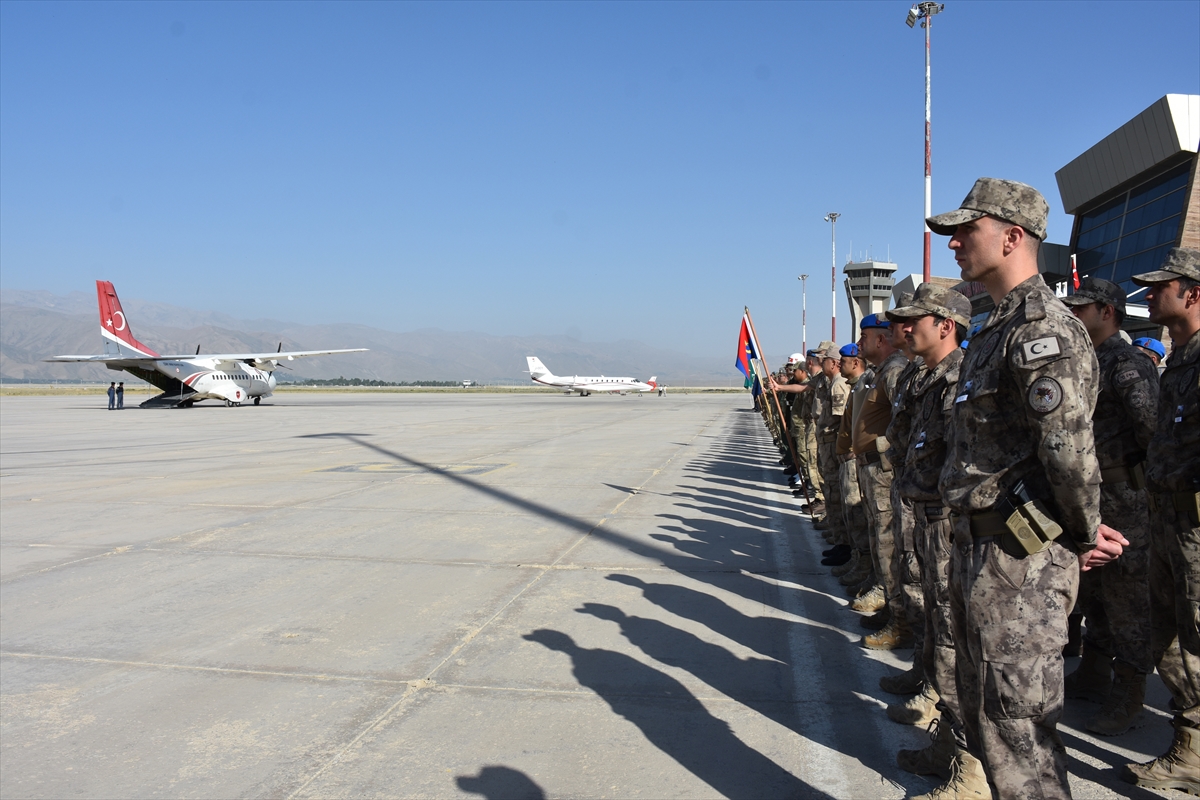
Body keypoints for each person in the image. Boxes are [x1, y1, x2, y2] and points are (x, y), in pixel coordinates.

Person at [927, 177, 1126, 800]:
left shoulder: (1042, 330)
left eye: (968, 230)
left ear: (1013, 237)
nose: (955, 242)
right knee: (990, 717)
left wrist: (1083, 532)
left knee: (1019, 732)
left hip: (1019, 562)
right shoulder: (995, 331)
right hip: (980, 551)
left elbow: (1067, 452)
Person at [1061, 277, 1158, 736]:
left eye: (1083, 308)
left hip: (1126, 500)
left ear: (1108, 312)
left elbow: (1152, 432)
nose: (1073, 315)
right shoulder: (1086, 361)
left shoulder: (1126, 363)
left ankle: (1128, 694)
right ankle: (1094, 673)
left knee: (1128, 602)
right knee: (1093, 594)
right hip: (1094, 496)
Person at [887, 282, 974, 779]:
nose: (905, 328)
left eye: (915, 319)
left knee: (952, 638)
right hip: (925, 516)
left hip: (948, 524)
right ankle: (946, 736)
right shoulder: (925, 378)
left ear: (945, 325)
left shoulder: (958, 377)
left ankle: (967, 762)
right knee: (938, 630)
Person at [1123, 247, 1200, 794]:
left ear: (1193, 292)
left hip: (1197, 525)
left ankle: (1193, 753)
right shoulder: (1182, 358)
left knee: (1196, 638)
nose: (1149, 295)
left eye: (1161, 286)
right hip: (1168, 519)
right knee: (1165, 637)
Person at [853, 313, 916, 652]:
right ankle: (893, 611)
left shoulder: (893, 372)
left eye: (865, 337)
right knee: (881, 542)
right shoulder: (882, 371)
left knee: (890, 545)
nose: (860, 343)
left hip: (885, 470)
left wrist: (877, 448)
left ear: (879, 340)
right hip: (876, 469)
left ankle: (901, 621)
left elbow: (905, 425)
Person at [835, 343, 874, 595]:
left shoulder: (870, 382)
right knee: (851, 513)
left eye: (843, 361)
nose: (840, 365)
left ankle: (864, 567)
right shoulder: (857, 386)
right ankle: (858, 560)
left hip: (860, 459)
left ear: (856, 362)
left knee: (858, 514)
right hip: (850, 457)